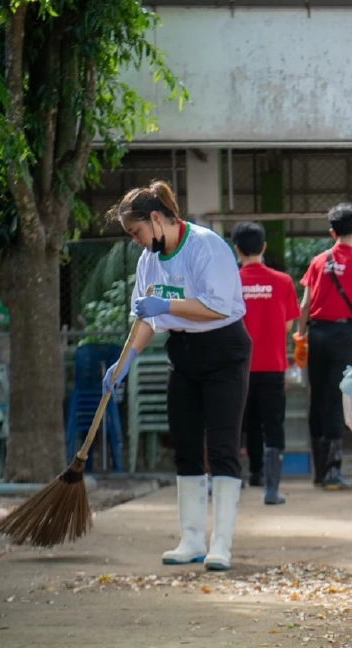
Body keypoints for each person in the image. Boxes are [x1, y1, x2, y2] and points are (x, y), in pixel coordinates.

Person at [103, 181, 250, 571]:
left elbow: (217, 308)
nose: (136, 241)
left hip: (224, 351)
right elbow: (146, 318)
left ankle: (221, 545)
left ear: (156, 219)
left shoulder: (207, 246)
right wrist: (124, 361)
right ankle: (191, 539)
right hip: (183, 353)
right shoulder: (148, 260)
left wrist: (166, 303)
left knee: (221, 447)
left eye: (136, 232)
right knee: (184, 446)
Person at [293, 202, 352, 498]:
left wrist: (301, 337)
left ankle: (320, 472)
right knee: (335, 400)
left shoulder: (318, 262)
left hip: (316, 334)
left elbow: (305, 304)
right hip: (342, 334)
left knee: (317, 399)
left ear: (332, 232)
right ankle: (333, 470)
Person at [233, 222, 300, 506]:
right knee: (273, 425)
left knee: (237, 424)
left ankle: (234, 482)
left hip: (238, 368)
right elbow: (287, 326)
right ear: (263, 247)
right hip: (273, 365)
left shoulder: (231, 282)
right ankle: (271, 489)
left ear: (237, 250)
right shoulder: (283, 282)